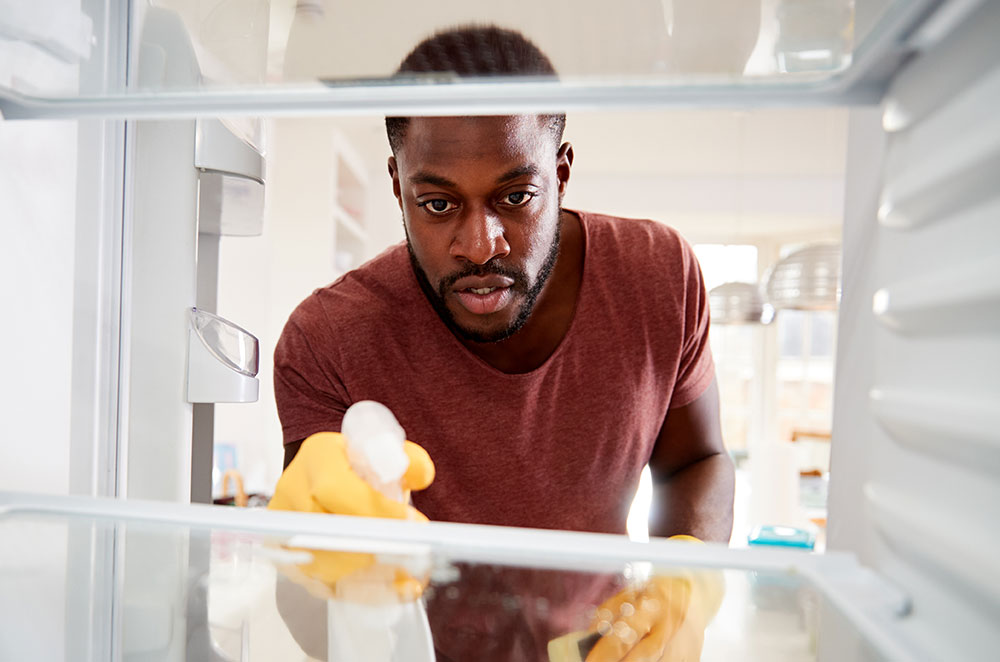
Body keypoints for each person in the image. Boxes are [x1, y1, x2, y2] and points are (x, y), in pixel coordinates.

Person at [270, 25, 734, 662]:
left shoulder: (660, 275)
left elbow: (696, 460)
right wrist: (308, 562)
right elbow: (307, 602)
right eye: (437, 204)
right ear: (397, 185)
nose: (480, 244)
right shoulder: (326, 338)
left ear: (562, 172)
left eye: (516, 197)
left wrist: (688, 579)